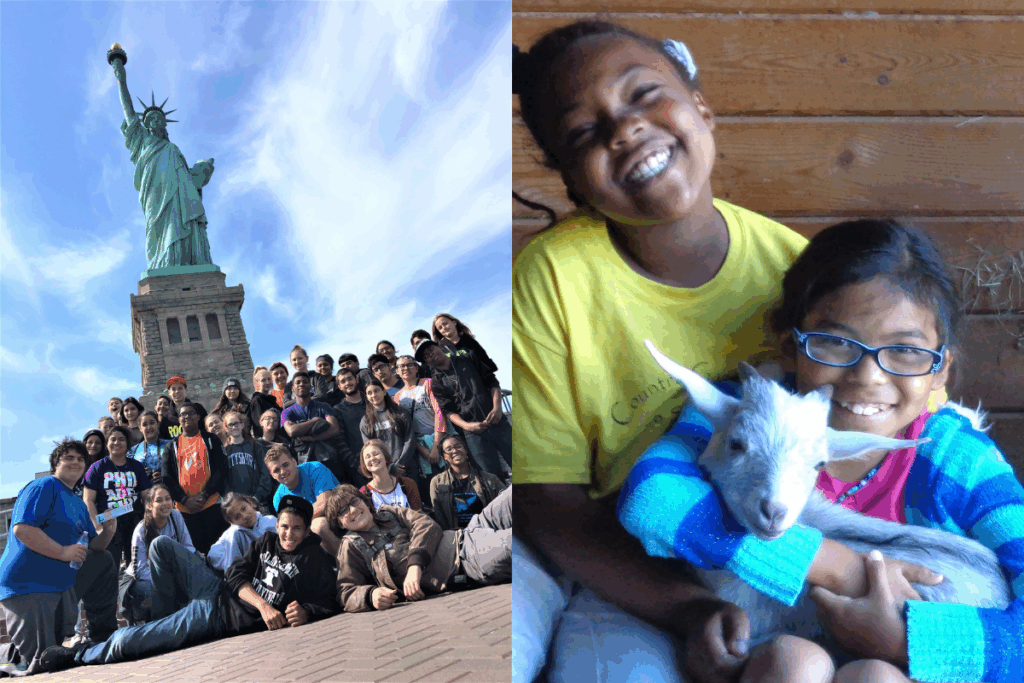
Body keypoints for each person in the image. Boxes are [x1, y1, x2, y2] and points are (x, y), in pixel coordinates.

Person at [508, 22, 934, 683]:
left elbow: (901, 426)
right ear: (570, 180)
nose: (623, 130)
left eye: (644, 94)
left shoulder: (799, 276)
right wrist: (688, 607)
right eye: (585, 135)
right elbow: (549, 504)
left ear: (701, 106)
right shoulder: (552, 280)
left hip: (777, 563)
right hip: (624, 569)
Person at [618, 219, 1024, 683]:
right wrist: (840, 569)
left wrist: (902, 639)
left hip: (917, 661)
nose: (868, 377)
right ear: (791, 348)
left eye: (905, 351)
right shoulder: (748, 408)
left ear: (940, 370)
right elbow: (653, 498)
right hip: (785, 646)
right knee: (794, 663)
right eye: (834, 342)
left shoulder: (957, 459)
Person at [37, 495, 337, 673]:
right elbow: (235, 574)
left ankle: (79, 655)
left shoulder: (313, 559)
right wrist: (263, 605)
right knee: (162, 545)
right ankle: (167, 619)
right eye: (285, 526)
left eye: (297, 528)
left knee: (127, 641)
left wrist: (307, 612)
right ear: (278, 524)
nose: (288, 534)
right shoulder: (267, 540)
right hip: (216, 590)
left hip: (218, 617)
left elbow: (330, 599)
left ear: (306, 530)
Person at [0, 438, 118, 675]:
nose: (76, 462)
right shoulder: (43, 486)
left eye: (80, 459)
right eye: (69, 458)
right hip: (28, 584)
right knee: (41, 660)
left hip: (60, 584)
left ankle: (102, 635)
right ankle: (6, 655)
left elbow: (94, 546)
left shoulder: (77, 502)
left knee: (103, 560)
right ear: (56, 463)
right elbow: (22, 529)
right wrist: (64, 552)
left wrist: (109, 530)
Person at [330, 484, 512, 612]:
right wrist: (370, 595)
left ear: (363, 500)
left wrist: (414, 565)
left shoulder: (389, 513)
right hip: (467, 560)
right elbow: (346, 592)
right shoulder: (350, 546)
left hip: (469, 531)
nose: (352, 511)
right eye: (342, 511)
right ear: (339, 523)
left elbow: (426, 524)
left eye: (353, 502)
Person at [416, 339, 510, 482]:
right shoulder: (435, 382)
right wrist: (467, 426)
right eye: (426, 356)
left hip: (497, 421)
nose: (430, 355)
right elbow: (448, 411)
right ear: (427, 363)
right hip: (473, 433)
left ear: (438, 346)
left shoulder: (468, 358)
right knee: (492, 478)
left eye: (430, 350)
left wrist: (497, 408)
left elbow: (492, 382)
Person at [161, 403, 229, 554]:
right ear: (179, 419)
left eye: (191, 413)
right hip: (184, 510)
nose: (187, 416)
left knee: (217, 552)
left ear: (198, 416)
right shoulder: (172, 446)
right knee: (193, 554)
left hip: (211, 505)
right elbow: (167, 477)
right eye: (183, 414)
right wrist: (185, 500)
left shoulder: (211, 439)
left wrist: (205, 495)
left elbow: (221, 470)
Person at [82, 425, 153, 571]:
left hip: (134, 519)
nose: (116, 442)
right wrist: (97, 526)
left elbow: (146, 495)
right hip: (107, 520)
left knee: (136, 565)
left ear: (127, 443)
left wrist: (149, 520)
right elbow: (88, 500)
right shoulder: (97, 467)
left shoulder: (137, 466)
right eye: (112, 439)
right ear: (107, 444)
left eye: (121, 439)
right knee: (109, 565)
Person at [122, 483, 194, 625]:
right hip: (141, 580)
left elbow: (189, 548)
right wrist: (166, 579)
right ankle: (140, 617)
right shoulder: (141, 530)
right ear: (149, 505)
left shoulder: (176, 516)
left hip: (171, 573)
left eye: (168, 499)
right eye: (159, 500)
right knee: (151, 590)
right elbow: (139, 571)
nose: (165, 503)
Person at [265, 445, 341, 555]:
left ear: (294, 462)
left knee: (318, 525)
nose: (282, 472)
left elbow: (325, 503)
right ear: (272, 475)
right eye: (276, 470)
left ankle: (347, 563)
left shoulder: (314, 469)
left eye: (285, 465)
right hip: (306, 530)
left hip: (337, 517)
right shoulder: (278, 498)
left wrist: (298, 522)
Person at [394, 355, 450, 499]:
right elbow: (405, 428)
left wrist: (436, 446)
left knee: (450, 477)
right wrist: (422, 449)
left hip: (441, 440)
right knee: (434, 485)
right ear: (397, 371)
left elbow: (439, 412)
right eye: (401, 366)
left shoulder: (428, 383)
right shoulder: (397, 397)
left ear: (416, 368)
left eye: (409, 365)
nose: (405, 368)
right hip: (419, 446)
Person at [281, 371, 347, 482]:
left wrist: (310, 438)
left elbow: (335, 429)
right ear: (293, 388)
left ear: (311, 387)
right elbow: (292, 431)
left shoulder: (323, 407)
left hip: (329, 458)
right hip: (305, 462)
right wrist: (316, 421)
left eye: (305, 382)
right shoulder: (287, 412)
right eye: (298, 382)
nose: (301, 384)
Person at [430, 435, 505, 531]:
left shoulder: (490, 479)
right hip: (457, 536)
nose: (455, 451)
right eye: (449, 449)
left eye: (458, 446)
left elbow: (504, 507)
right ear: (444, 456)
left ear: (466, 450)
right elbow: (439, 515)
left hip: (488, 532)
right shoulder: (437, 482)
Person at [360, 380, 417, 489]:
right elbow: (369, 449)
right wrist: (389, 467)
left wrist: (400, 464)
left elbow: (410, 439)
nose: (374, 395)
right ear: (366, 397)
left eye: (376, 391)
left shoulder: (400, 412)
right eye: (370, 393)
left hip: (406, 468)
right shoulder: (366, 421)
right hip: (384, 472)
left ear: (384, 392)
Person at [206, 493, 278, 574]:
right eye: (237, 517)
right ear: (231, 522)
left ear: (250, 503)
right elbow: (230, 567)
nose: (245, 516)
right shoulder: (234, 534)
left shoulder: (271, 521)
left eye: (244, 508)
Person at [221, 410, 276, 509]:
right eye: (230, 424)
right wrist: (232, 499)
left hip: (257, 501)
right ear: (226, 427)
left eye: (236, 423)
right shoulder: (224, 451)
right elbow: (223, 480)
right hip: (235, 503)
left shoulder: (255, 446)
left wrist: (257, 497)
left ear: (242, 424)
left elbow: (265, 474)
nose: (234, 427)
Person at [358, 440, 422, 512]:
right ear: (364, 464)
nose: (372, 458)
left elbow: (420, 517)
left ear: (386, 458)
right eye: (368, 457)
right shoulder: (364, 494)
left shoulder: (408, 484)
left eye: (376, 454)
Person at [331, 367, 369, 487]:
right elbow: (340, 442)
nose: (347, 383)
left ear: (356, 379)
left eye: (350, 379)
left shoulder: (371, 400)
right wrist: (356, 465)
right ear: (339, 386)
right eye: (343, 381)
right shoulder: (338, 410)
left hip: (384, 460)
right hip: (359, 468)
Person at [432, 313, 498, 374]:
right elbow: (438, 373)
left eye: (445, 323)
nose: (444, 328)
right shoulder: (440, 348)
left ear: (454, 322)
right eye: (440, 328)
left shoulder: (470, 342)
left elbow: (486, 363)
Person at [129, 410, 168, 484]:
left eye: (152, 423)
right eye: (145, 424)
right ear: (140, 428)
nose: (149, 427)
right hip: (143, 492)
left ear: (158, 424)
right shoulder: (132, 451)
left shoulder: (170, 445)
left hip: (167, 491)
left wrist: (164, 474)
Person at [249, 366, 282, 439]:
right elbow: (259, 425)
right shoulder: (257, 400)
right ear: (257, 383)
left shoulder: (272, 400)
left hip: (279, 439)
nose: (267, 382)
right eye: (263, 380)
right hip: (268, 442)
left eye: (269, 379)